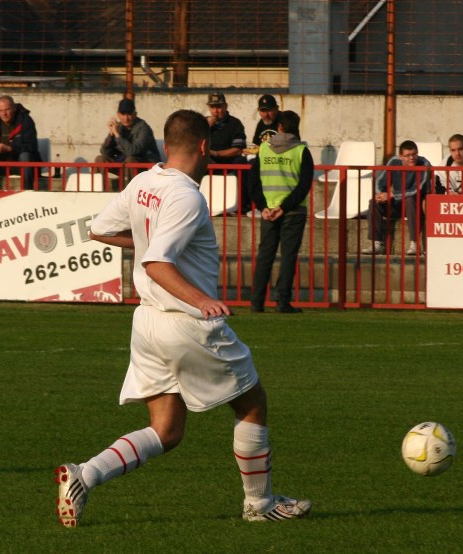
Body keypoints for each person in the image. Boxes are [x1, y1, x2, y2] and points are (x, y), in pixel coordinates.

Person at [56, 109, 311, 527]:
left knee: (167, 430)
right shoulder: (187, 196)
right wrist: (201, 299)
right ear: (205, 147)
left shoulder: (144, 181)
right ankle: (260, 505)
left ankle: (83, 475)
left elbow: (99, 230)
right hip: (185, 321)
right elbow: (157, 261)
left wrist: (145, 243)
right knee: (252, 403)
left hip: (147, 323)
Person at [249, 110, 314, 314]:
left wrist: (263, 207)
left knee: (265, 256)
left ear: (279, 127)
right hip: (293, 211)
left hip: (268, 211)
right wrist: (284, 207)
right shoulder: (302, 151)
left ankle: (256, 302)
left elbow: (252, 182)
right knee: (288, 257)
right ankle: (282, 302)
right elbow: (304, 186)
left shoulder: (264, 150)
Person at [363, 140, 431, 255]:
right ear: (401, 157)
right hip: (397, 203)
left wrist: (392, 194)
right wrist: (380, 194)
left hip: (416, 205)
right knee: (374, 202)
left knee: (410, 199)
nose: (412, 158)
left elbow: (416, 190)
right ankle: (377, 243)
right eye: (407, 155)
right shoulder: (394, 162)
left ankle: (414, 243)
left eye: (414, 154)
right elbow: (380, 182)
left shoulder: (424, 163)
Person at [96, 98, 161, 187]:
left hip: (146, 167)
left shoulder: (144, 128)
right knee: (100, 159)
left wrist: (117, 135)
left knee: (130, 160)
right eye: (123, 114)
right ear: (118, 115)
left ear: (135, 114)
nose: (126, 118)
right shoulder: (118, 127)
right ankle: (98, 191)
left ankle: (129, 193)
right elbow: (104, 152)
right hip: (124, 165)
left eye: (129, 114)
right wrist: (111, 135)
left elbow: (133, 151)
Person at [206, 92, 250, 213]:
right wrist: (205, 128)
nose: (216, 111)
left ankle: (242, 206)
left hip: (229, 162)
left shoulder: (235, 124)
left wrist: (216, 153)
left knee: (242, 162)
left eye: (219, 107)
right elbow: (192, 144)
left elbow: (238, 149)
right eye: (213, 107)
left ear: (225, 106)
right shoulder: (203, 123)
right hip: (207, 163)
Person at [0, 95, 41, 190]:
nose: (4, 114)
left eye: (7, 110)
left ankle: (27, 191)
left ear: (14, 108)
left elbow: (31, 146)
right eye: (0, 111)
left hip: (22, 164)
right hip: (3, 163)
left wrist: (10, 148)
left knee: (25, 156)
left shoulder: (26, 120)